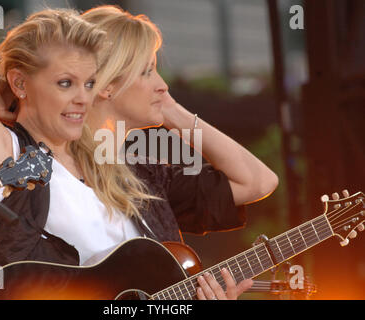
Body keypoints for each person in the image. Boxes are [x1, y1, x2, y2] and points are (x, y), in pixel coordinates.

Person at [0, 5, 238, 300]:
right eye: (65, 83)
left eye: (89, 84)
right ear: (20, 82)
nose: (83, 98)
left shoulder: (109, 169)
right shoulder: (5, 153)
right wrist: (2, 91)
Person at [77, 5, 280, 300]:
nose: (163, 85)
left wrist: (173, 113)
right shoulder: (51, 169)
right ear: (107, 84)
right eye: (147, 71)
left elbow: (258, 182)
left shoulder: (147, 177)